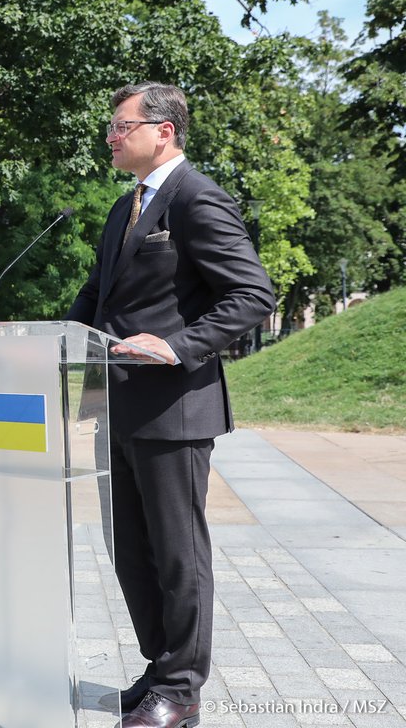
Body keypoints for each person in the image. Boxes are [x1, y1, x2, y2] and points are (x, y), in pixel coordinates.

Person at [65, 82, 275, 728]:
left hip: (175, 410)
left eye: (120, 126)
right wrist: (53, 345)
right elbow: (95, 297)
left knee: (178, 553)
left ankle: (182, 688)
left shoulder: (197, 200)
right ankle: (160, 668)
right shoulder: (122, 209)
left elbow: (251, 294)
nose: (110, 136)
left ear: (163, 131)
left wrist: (178, 345)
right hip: (116, 408)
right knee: (131, 552)